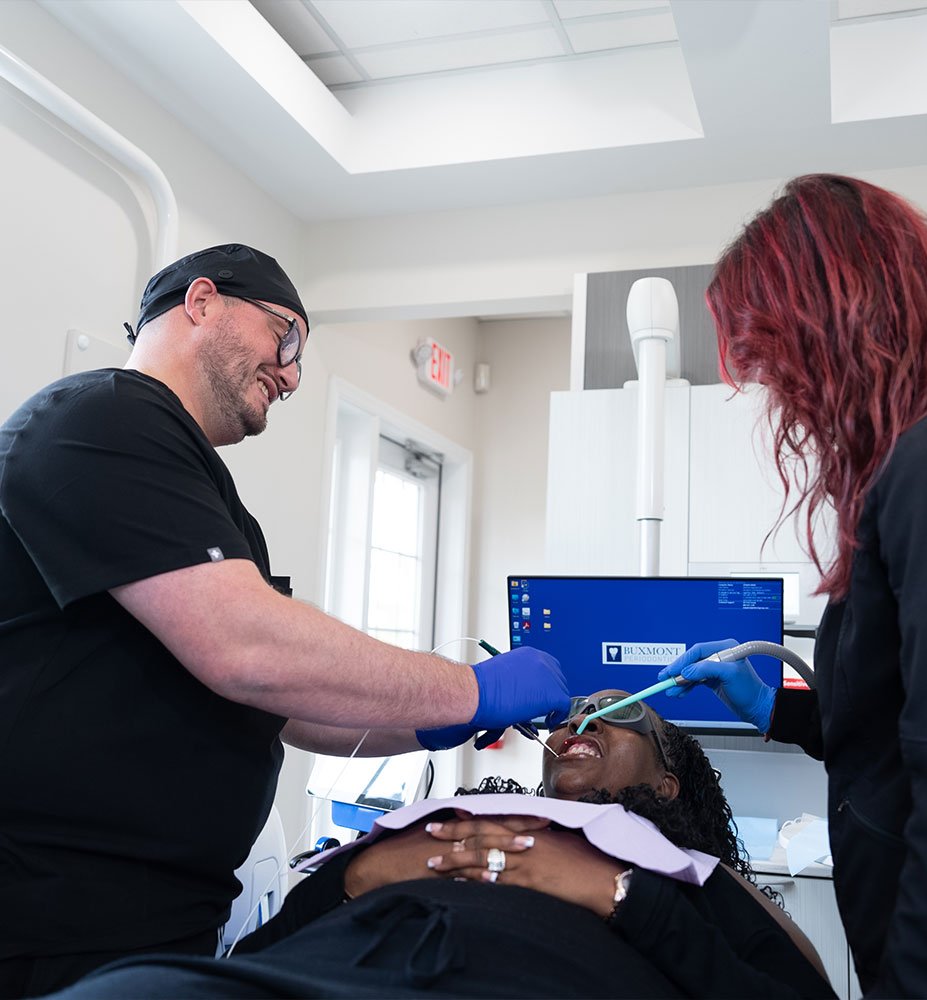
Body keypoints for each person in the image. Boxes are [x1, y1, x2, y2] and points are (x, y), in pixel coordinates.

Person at [0, 244, 568, 997]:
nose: (293, 375)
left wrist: (441, 722)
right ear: (200, 302)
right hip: (53, 916)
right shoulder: (101, 417)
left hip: (156, 913)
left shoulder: (201, 493)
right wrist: (470, 688)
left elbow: (281, 706)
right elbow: (247, 650)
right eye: (286, 338)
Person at [658, 174, 927, 998]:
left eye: (766, 354)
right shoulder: (914, 464)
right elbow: (901, 718)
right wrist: (779, 709)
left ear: (833, 324)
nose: (767, 387)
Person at [47, 693, 835, 999]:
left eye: (618, 718)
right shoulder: (445, 812)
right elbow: (265, 944)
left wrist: (623, 897)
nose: (578, 727)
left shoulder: (681, 870)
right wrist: (353, 876)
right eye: (568, 720)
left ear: (666, 786)